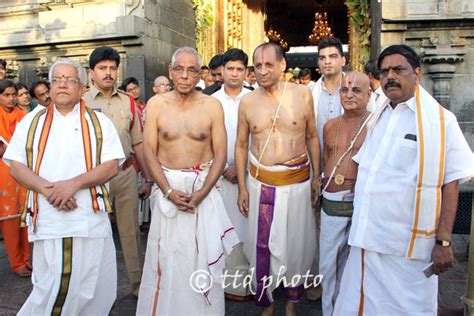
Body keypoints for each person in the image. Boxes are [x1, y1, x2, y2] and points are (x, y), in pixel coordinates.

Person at [333, 45, 474, 315]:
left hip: (407, 248)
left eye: (399, 70)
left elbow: (451, 182)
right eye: (384, 71)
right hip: (367, 240)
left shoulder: (441, 121)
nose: (390, 76)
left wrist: (444, 242)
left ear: (416, 73)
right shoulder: (379, 115)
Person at [4, 58, 125, 315]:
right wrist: (50, 190)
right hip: (50, 217)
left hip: (89, 217)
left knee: (97, 287)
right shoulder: (32, 121)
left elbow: (112, 165)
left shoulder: (99, 123)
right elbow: (15, 165)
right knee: (56, 289)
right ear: (49, 86)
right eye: (56, 79)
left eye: (70, 80)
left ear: (82, 87)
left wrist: (73, 185)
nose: (62, 85)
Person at [137, 46, 238, 315]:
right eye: (179, 69)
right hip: (167, 190)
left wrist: (203, 192)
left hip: (202, 193)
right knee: (167, 257)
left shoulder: (212, 106)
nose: (184, 75)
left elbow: (220, 154)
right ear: (170, 72)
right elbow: (149, 151)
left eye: (191, 70)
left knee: (200, 257)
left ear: (199, 74)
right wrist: (168, 191)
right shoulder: (157, 104)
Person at [235, 42, 319, 315]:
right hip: (261, 183)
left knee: (296, 241)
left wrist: (317, 177)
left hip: (297, 181)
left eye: (268, 64)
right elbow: (240, 145)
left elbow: (312, 137)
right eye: (257, 66)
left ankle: (292, 302)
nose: (262, 71)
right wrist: (242, 188)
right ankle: (266, 302)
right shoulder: (247, 102)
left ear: (282, 65)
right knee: (262, 245)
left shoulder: (302, 94)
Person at [83, 46, 152, 296]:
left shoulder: (127, 101)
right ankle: (92, 290)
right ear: (91, 73)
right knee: (93, 234)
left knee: (131, 233)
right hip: (94, 178)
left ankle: (138, 287)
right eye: (102, 68)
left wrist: (147, 179)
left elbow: (138, 143)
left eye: (113, 68)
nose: (108, 73)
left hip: (124, 175)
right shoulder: (81, 102)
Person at [319, 71, 371, 315]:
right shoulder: (330, 126)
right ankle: (330, 310)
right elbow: (324, 160)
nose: (349, 95)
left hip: (362, 202)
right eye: (344, 90)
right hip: (331, 200)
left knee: (360, 262)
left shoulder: (377, 124)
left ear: (369, 94)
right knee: (329, 263)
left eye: (356, 90)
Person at [211, 48, 252, 299]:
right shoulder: (211, 100)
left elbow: (262, 139)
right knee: (221, 227)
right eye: (230, 69)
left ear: (246, 72)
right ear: (222, 71)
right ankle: (224, 284)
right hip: (218, 176)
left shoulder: (255, 98)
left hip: (249, 174)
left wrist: (242, 167)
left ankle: (247, 284)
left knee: (247, 227)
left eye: (240, 69)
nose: (235, 74)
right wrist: (221, 168)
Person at [0, 79, 30, 277]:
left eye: (13, 94)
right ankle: (16, 263)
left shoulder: (22, 116)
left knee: (25, 216)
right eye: (6, 95)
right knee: (10, 218)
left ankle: (27, 259)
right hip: (3, 172)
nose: (11, 99)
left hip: (21, 168)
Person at [312, 37, 346, 149]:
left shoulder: (356, 91)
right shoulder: (309, 92)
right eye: (322, 58)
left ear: (343, 60)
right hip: (316, 161)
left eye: (333, 56)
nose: (327, 61)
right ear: (318, 62)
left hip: (347, 162)